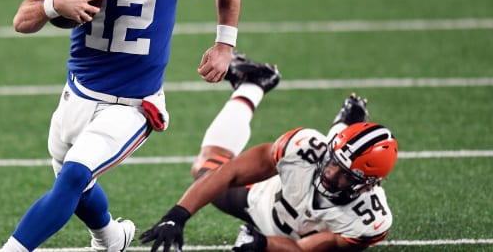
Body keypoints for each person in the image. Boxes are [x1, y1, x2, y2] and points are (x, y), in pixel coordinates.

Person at [1, 0, 241, 252]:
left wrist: (224, 44)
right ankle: (111, 238)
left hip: (133, 103)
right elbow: (21, 21)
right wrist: (53, 4)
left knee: (73, 179)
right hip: (76, 93)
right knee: (77, 184)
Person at [140, 52, 399, 252]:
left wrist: (263, 244)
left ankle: (347, 125)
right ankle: (252, 84)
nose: (330, 173)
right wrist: (178, 215)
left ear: (369, 185)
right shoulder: (306, 147)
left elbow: (301, 248)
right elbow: (228, 173)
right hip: (262, 199)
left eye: (344, 175)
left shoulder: (369, 220)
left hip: (291, 232)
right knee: (205, 169)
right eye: (331, 162)